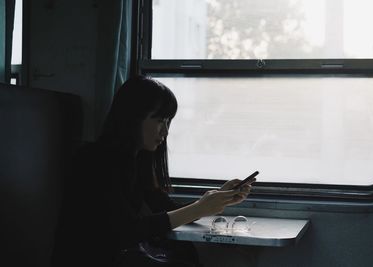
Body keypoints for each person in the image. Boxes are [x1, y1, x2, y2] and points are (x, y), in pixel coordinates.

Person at [52, 75, 255, 267]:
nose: (165, 132)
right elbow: (126, 231)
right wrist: (199, 208)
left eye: (168, 122)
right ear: (132, 118)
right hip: (89, 259)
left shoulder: (136, 160)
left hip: (117, 258)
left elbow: (165, 208)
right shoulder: (94, 160)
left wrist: (220, 197)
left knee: (187, 253)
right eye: (159, 120)